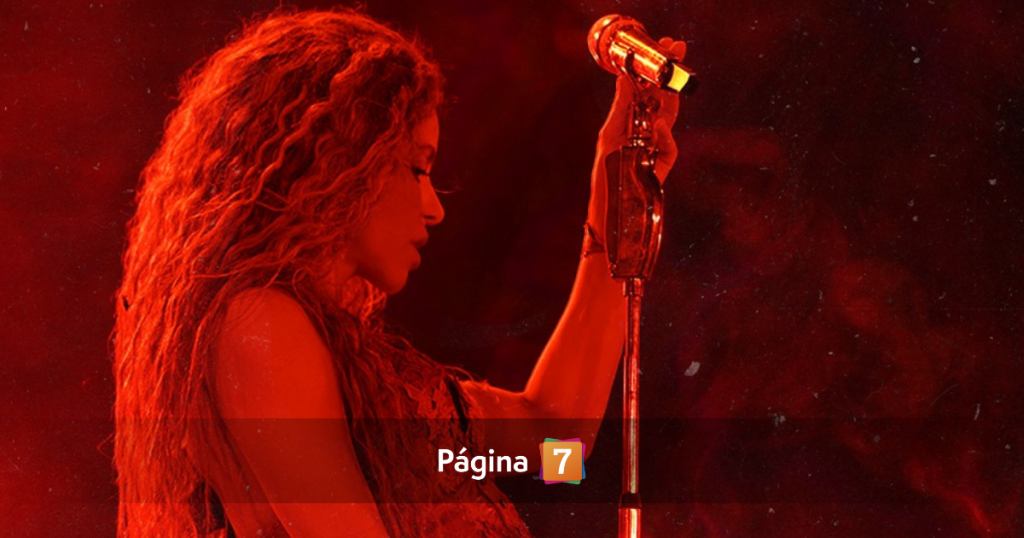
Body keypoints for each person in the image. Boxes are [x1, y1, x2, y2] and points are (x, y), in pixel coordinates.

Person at [113, 7, 684, 538]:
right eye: (418, 168)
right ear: (341, 161)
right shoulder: (259, 322)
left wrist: (613, 204)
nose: (434, 208)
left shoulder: (368, 383)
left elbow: (555, 447)